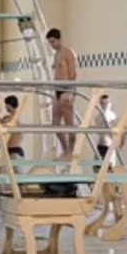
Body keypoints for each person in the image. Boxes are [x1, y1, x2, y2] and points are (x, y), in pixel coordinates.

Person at [46, 28, 78, 159]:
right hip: (57, 89)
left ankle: (71, 151)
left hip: (67, 89)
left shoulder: (68, 53)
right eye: (50, 43)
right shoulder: (56, 54)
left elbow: (73, 74)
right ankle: (65, 150)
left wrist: (70, 91)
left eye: (53, 42)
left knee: (69, 123)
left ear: (59, 39)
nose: (52, 45)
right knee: (55, 123)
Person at [0, 95, 23, 162]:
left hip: (13, 151)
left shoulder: (12, 119)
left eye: (6, 105)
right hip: (11, 150)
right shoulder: (10, 117)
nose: (5, 107)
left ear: (9, 105)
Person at [94, 93, 117, 160]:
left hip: (109, 145)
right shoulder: (97, 117)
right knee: (97, 167)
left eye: (106, 103)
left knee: (109, 168)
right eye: (102, 103)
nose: (104, 105)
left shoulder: (113, 116)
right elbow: (98, 131)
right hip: (100, 144)